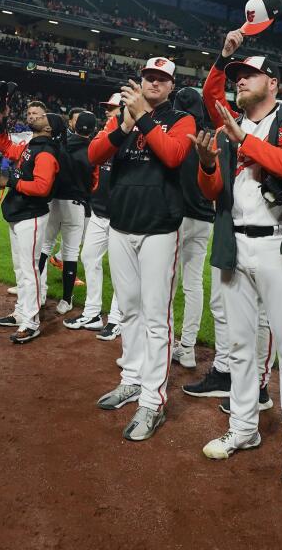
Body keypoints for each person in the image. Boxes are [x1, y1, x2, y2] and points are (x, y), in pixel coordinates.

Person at [193, 31, 282, 492]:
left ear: (274, 82)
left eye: (249, 74)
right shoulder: (230, 127)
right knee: (240, 349)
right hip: (235, 244)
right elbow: (213, 193)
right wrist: (208, 164)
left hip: (280, 246)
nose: (240, 81)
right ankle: (243, 427)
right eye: (237, 76)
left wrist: (241, 138)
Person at [89, 58, 195, 442]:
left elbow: (172, 156)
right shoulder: (121, 117)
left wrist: (143, 118)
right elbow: (94, 155)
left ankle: (153, 400)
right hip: (120, 224)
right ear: (141, 79)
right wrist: (125, 123)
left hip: (160, 228)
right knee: (129, 310)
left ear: (170, 86)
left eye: (162, 79)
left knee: (156, 316)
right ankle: (131, 379)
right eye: (149, 77)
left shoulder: (182, 119)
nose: (154, 83)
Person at [0, 100, 60, 344]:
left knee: (30, 270)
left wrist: (10, 182)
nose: (34, 118)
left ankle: (31, 322)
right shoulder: (33, 144)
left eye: (42, 117)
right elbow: (7, 148)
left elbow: (42, 188)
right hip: (19, 212)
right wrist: (0, 126)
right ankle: (21, 312)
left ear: (50, 128)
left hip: (31, 215)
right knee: (21, 268)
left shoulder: (47, 152)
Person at [66, 94, 125, 337]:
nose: (108, 113)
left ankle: (117, 319)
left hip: (122, 213)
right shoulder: (105, 135)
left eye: (112, 109)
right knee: (89, 257)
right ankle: (92, 313)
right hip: (100, 210)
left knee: (122, 269)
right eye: (107, 108)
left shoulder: (133, 136)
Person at [169, 86, 215, 370]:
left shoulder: (176, 133)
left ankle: (164, 344)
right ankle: (186, 348)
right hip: (204, 217)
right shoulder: (208, 136)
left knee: (167, 282)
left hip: (179, 215)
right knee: (193, 283)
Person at [36, 109, 90, 316]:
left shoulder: (51, 147)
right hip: (75, 204)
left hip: (53, 202)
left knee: (44, 247)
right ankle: (66, 299)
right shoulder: (89, 147)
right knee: (70, 252)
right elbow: (92, 180)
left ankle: (37, 293)